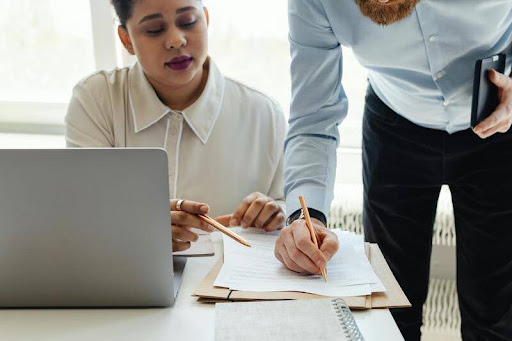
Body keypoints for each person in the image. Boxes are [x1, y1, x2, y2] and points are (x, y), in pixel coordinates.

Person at [275, 0, 512, 340]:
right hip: (394, 128)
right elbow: (313, 115)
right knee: (390, 311)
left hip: (499, 122)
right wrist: (306, 216)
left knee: (495, 317)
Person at [65, 0, 287, 253]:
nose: (176, 40)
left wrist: (274, 214)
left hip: (228, 287)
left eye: (188, 22)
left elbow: (289, 209)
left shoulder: (264, 114)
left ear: (206, 19)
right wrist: (138, 230)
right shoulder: (96, 101)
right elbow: (82, 215)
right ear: (126, 39)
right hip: (122, 283)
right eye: (154, 29)